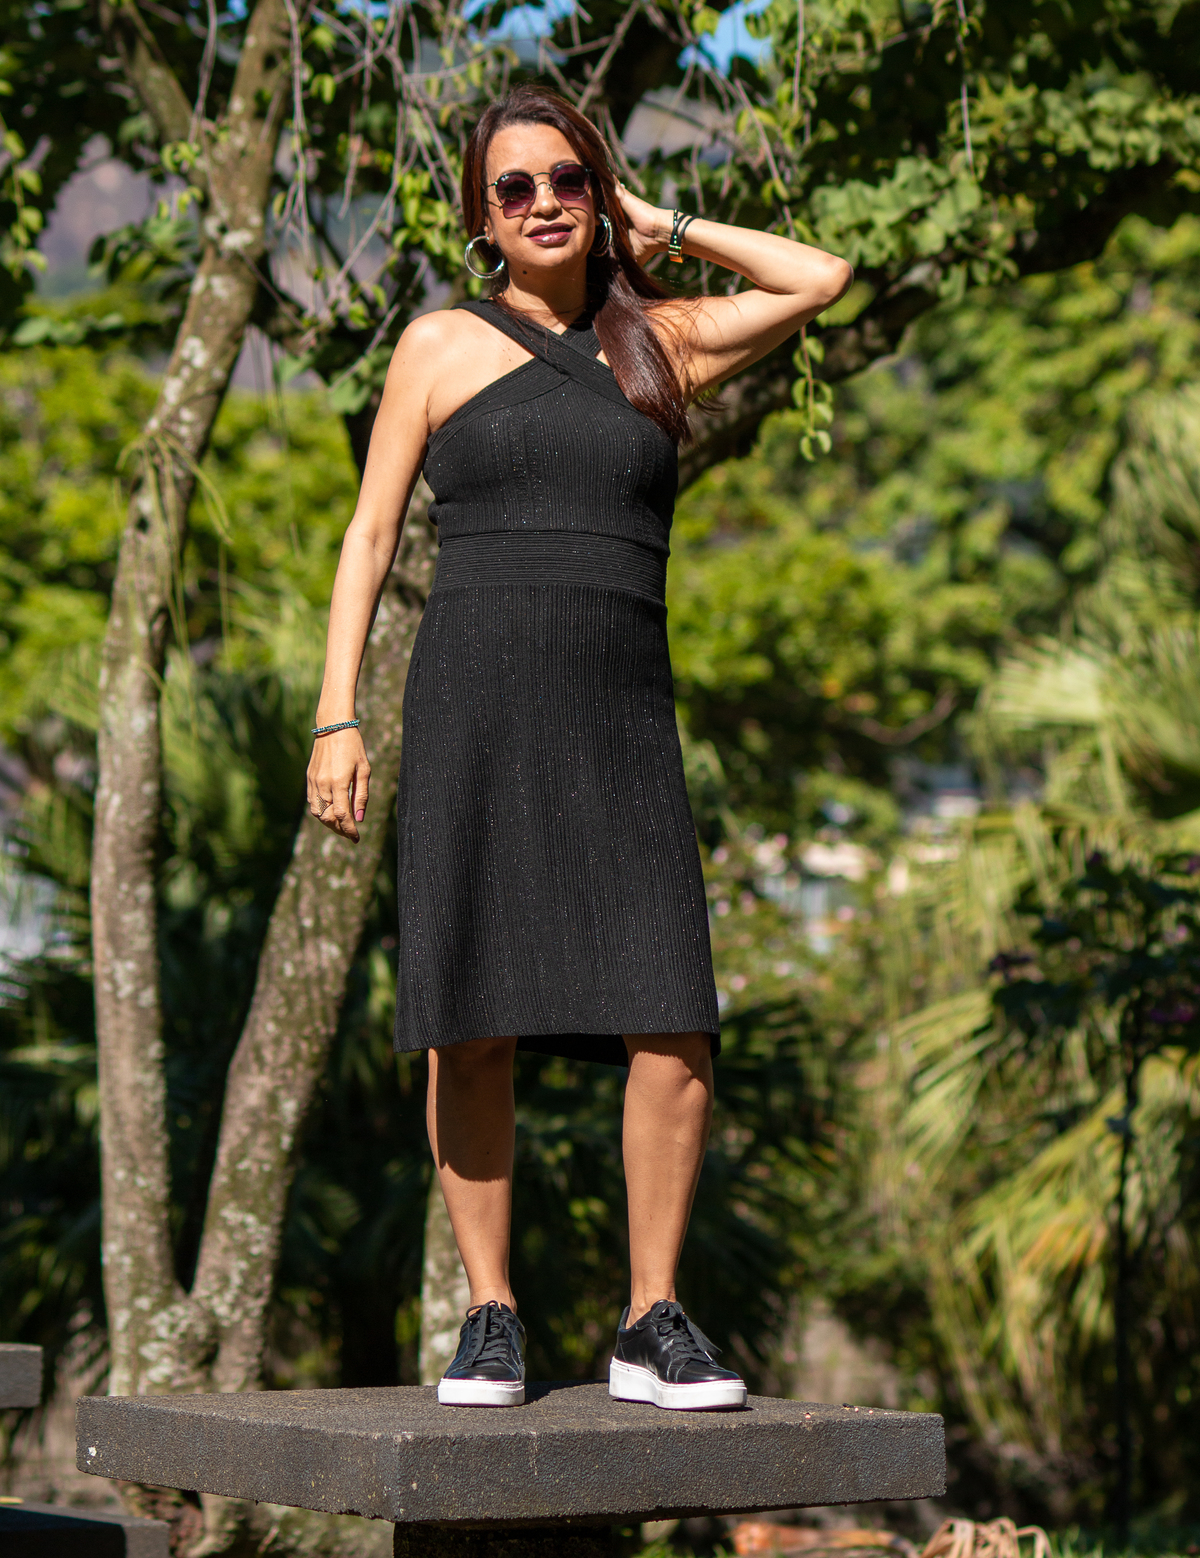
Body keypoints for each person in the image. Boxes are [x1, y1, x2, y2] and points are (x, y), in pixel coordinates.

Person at [306, 83, 852, 1412]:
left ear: (598, 193)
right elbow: (369, 535)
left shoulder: (659, 338)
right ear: (482, 215)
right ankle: (490, 1313)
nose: (543, 201)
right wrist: (338, 714)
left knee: (673, 1019)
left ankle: (651, 1316)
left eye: (568, 179)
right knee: (470, 1020)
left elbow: (820, 276)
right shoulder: (438, 343)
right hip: (474, 707)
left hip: (621, 717)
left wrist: (662, 225)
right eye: (516, 186)